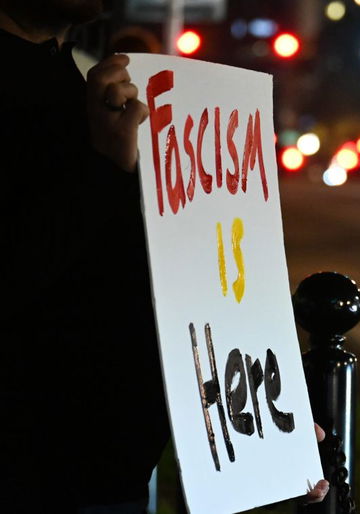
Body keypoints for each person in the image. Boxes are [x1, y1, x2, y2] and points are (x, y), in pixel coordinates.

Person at [0, 1, 328, 511]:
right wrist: (104, 167)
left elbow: (148, 273)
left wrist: (264, 422)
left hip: (107, 472)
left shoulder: (69, 77)